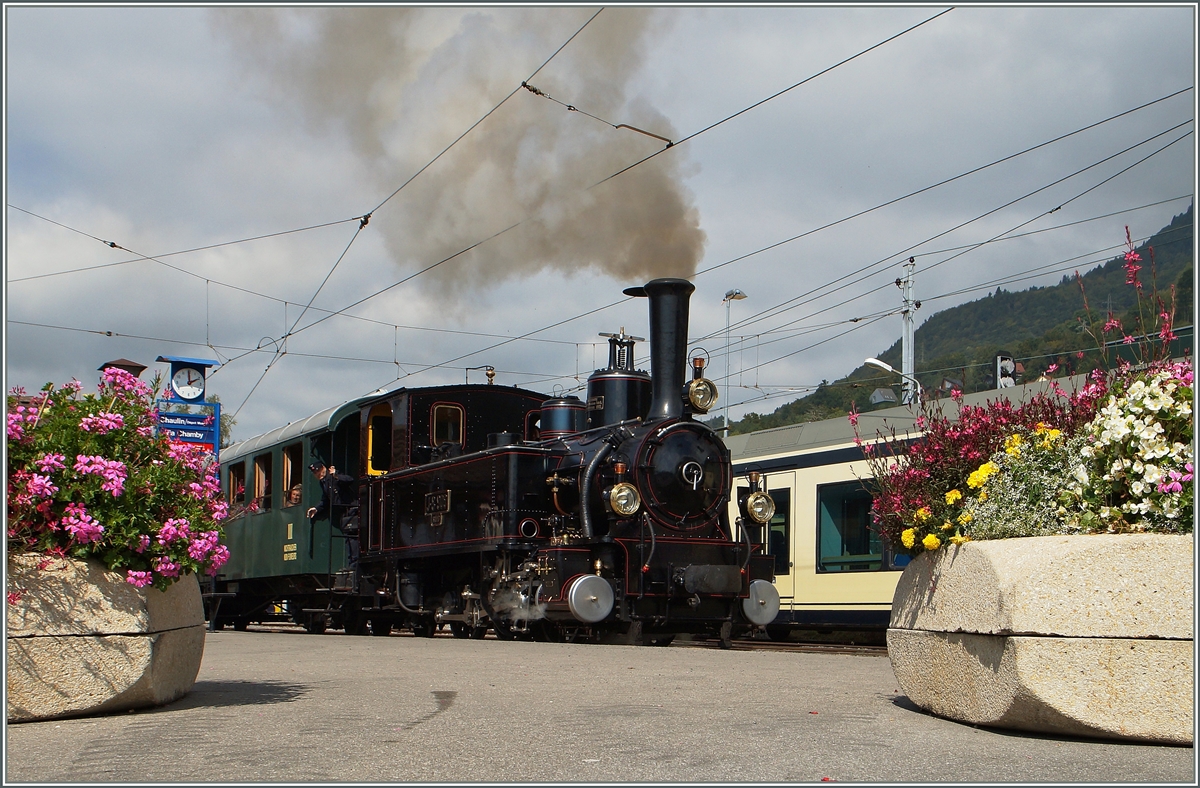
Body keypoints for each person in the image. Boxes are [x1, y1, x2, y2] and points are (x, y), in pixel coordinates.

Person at [307, 461, 359, 568]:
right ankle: (351, 563)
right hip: (343, 512)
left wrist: (335, 475)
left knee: (352, 536)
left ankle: (355, 563)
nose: (318, 474)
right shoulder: (323, 482)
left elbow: (349, 480)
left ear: (323, 468)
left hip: (351, 508)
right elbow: (326, 499)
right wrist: (316, 508)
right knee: (348, 538)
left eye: (319, 471)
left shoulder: (335, 476)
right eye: (315, 473)